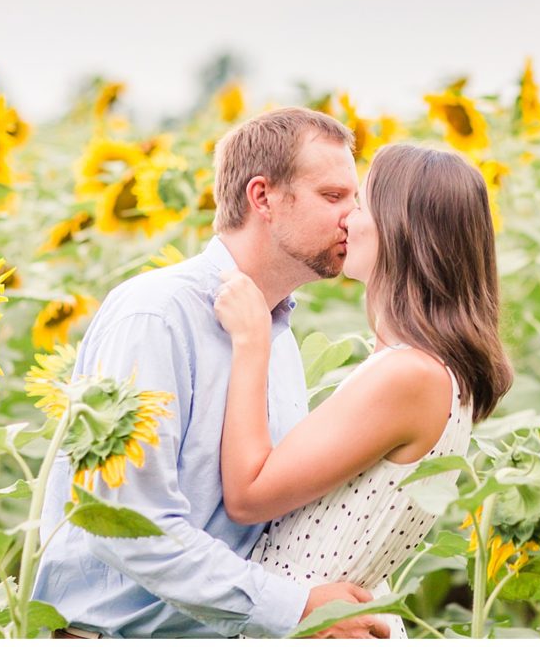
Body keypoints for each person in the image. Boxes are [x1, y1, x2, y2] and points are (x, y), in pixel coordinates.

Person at [32, 107, 391, 638]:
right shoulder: (156, 315)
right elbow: (130, 521)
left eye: (354, 201)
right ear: (262, 197)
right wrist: (292, 607)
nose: (352, 219)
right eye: (333, 197)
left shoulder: (278, 337)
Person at [213, 143, 514, 639]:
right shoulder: (420, 368)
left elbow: (248, 497)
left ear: (403, 232)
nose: (348, 219)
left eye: (364, 204)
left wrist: (251, 342)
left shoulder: (410, 375)